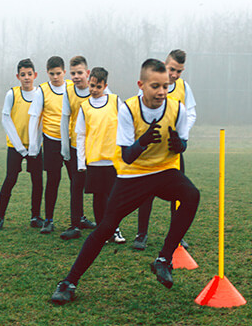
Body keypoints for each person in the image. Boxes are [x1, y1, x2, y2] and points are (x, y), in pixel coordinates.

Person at [50, 59, 200, 305]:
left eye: (165, 86)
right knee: (105, 228)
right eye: (155, 86)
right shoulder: (128, 109)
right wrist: (144, 141)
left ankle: (163, 259)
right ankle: (68, 282)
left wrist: (179, 145)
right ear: (141, 85)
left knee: (192, 195)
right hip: (134, 175)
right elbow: (128, 155)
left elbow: (182, 143)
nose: (161, 91)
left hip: (164, 171)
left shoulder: (178, 109)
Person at [132, 49, 197, 251]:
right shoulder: (149, 84)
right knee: (146, 192)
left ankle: (177, 236)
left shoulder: (184, 87)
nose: (175, 75)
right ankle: (141, 234)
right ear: (164, 64)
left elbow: (192, 113)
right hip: (151, 149)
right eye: (172, 69)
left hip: (173, 149)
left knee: (181, 194)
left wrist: (181, 133)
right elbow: (138, 110)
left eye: (179, 71)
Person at [0, 59, 44, 231]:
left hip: (35, 146)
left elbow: (43, 122)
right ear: (18, 76)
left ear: (35, 75)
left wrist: (35, 145)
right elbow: (6, 119)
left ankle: (35, 216)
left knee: (37, 182)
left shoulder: (40, 94)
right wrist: (20, 147)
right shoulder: (12, 94)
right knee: (10, 179)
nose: (26, 78)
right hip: (15, 146)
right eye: (23, 75)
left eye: (29, 74)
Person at [75, 67, 126, 244]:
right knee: (98, 197)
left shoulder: (115, 101)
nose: (94, 89)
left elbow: (127, 125)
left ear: (105, 85)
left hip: (113, 160)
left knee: (114, 197)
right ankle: (101, 231)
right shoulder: (85, 106)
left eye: (98, 86)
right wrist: (81, 162)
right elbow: (80, 134)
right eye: (92, 85)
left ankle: (115, 229)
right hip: (94, 161)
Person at [58, 56, 99, 240]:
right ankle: (76, 224)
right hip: (76, 147)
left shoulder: (98, 90)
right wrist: (65, 147)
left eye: (79, 72)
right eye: (73, 73)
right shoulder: (68, 92)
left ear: (87, 73)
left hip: (96, 147)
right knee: (76, 186)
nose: (76, 76)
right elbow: (65, 118)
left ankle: (107, 225)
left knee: (100, 187)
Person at [28, 56, 70, 234]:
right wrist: (33, 146)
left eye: (58, 73)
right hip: (51, 141)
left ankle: (79, 219)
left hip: (71, 140)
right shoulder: (42, 91)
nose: (55, 77)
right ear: (47, 73)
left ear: (64, 72)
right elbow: (34, 117)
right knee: (53, 181)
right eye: (51, 74)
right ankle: (49, 220)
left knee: (77, 181)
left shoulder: (71, 88)